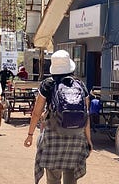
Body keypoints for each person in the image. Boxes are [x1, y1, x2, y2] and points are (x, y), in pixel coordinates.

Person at [24, 50, 93, 184]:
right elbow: (86, 115)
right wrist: (88, 140)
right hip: (76, 138)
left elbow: (37, 113)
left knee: (53, 178)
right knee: (71, 178)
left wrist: (30, 134)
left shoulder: (47, 84)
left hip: (53, 137)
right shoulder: (80, 85)